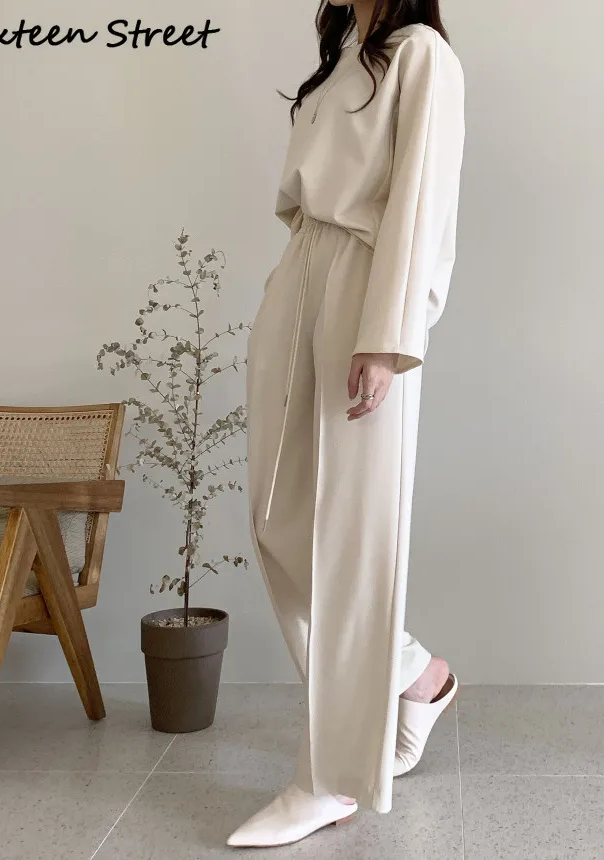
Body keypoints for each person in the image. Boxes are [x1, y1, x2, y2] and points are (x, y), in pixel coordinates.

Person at [229, 0, 465, 848]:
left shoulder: (421, 56)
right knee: (275, 520)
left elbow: (422, 203)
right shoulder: (340, 63)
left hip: (365, 292)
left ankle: (327, 779)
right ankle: (413, 675)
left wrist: (387, 337)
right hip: (301, 275)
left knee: (351, 539)